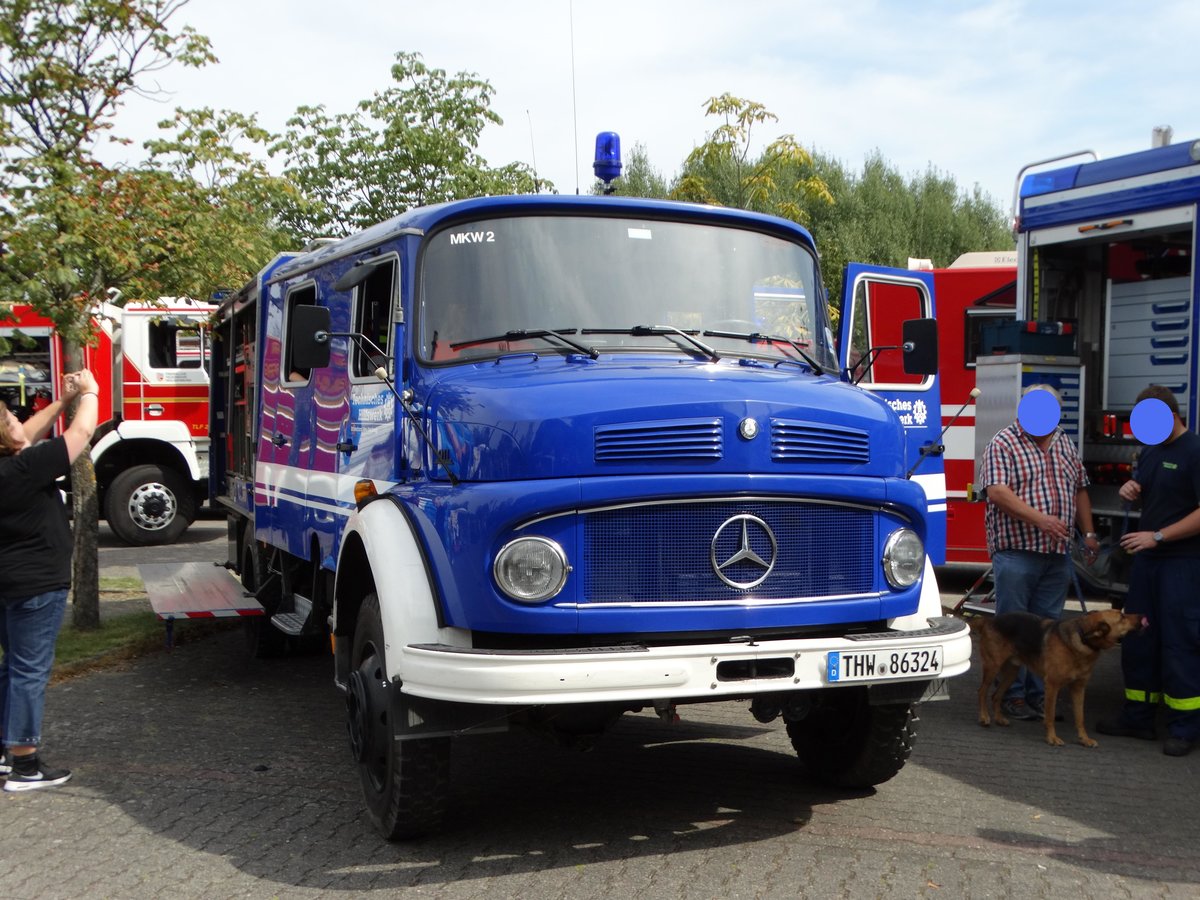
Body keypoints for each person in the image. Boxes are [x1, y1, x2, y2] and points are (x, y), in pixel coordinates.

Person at [0, 369, 99, 791]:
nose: (16, 421)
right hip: (35, 586)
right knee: (28, 672)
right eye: (7, 418)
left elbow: (26, 434)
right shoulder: (26, 468)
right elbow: (82, 431)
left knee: (10, 670)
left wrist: (61, 399)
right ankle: (24, 764)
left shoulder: (16, 464)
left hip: (8, 584)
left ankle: (6, 758)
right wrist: (90, 392)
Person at [978, 384, 1099, 722]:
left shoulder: (1063, 441)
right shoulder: (1002, 442)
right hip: (1017, 551)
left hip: (1056, 553)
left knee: (1051, 631)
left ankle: (1039, 695)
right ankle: (1011, 696)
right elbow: (997, 492)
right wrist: (1043, 521)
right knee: (1014, 628)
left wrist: (1088, 533)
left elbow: (1080, 489)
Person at [1099, 385, 1200, 757]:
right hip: (1148, 562)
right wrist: (1132, 489)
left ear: (1171, 416)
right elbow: (1157, 494)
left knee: (1179, 643)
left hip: (1182, 563)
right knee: (1139, 639)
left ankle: (1185, 727)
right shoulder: (1152, 452)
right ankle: (1137, 717)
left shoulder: (1195, 451)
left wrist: (1158, 536)